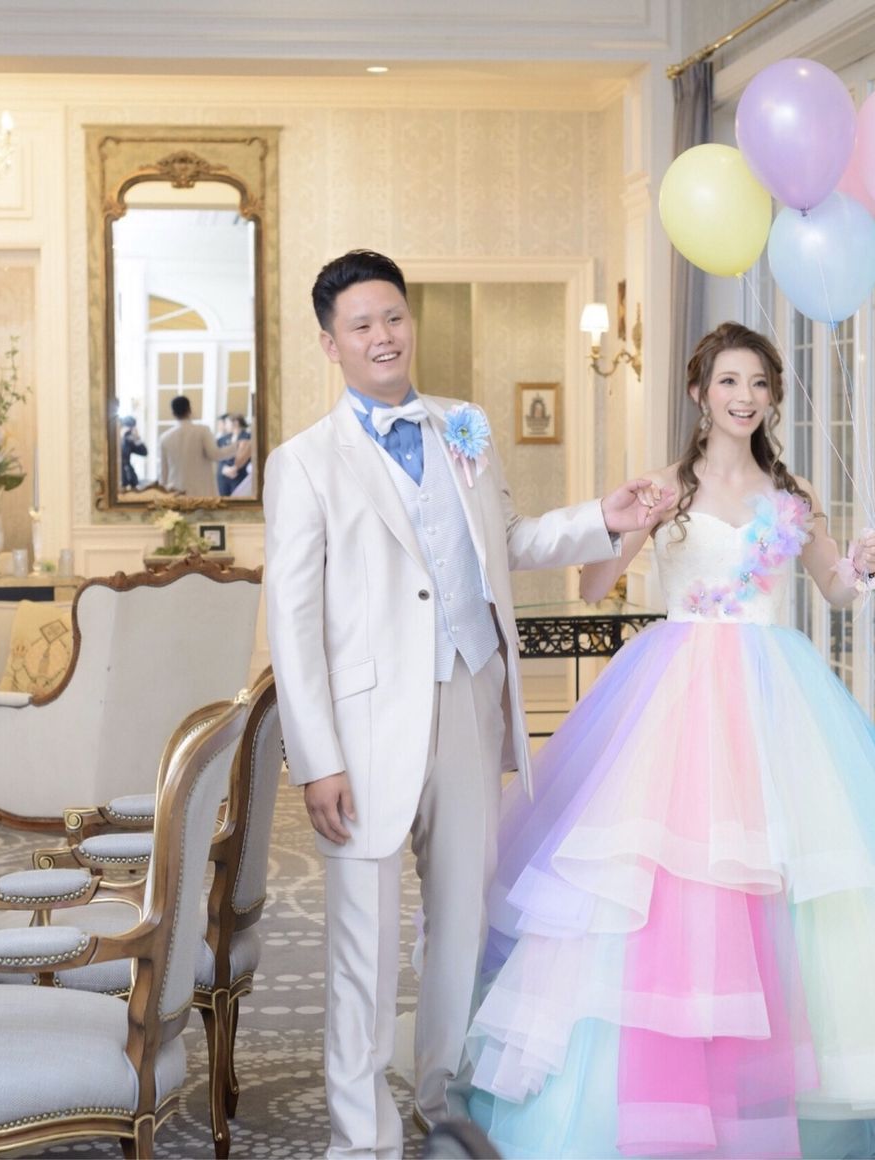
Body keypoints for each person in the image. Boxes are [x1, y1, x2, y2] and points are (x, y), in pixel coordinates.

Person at [465, 322, 875, 1160]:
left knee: (787, 888)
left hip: (779, 698)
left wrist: (863, 562)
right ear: (699, 393)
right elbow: (596, 587)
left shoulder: (793, 491)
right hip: (675, 696)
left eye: (760, 384)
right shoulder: (666, 486)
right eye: (730, 382)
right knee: (670, 884)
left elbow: (836, 590)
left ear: (772, 397)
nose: (746, 397)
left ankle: (775, 1094)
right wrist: (627, 526)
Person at [263, 248, 675, 1160]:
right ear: (331, 344)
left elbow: (510, 540)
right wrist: (316, 758)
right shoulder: (305, 464)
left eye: (393, 317)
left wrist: (602, 518)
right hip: (364, 731)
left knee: (460, 927)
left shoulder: (464, 428)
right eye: (361, 325)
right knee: (364, 944)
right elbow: (291, 625)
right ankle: (361, 1136)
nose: (383, 336)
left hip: (470, 698)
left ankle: (441, 1103)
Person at [157, 394, 229, 497]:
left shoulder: (164, 437)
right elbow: (215, 455)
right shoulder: (203, 431)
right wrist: (236, 448)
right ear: (189, 410)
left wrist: (163, 495)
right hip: (202, 493)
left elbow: (163, 473)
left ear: (173, 413)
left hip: (176, 493)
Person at [218, 413, 253, 496]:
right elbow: (216, 456)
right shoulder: (222, 439)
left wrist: (235, 468)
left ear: (236, 423)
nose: (225, 426)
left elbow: (250, 455)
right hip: (223, 476)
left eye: (227, 423)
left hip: (240, 475)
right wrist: (223, 468)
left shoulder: (249, 437)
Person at [119, 415, 147, 490]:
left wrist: (137, 438)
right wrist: (120, 437)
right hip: (119, 477)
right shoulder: (114, 440)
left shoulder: (128, 441)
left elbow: (144, 452)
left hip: (131, 478)